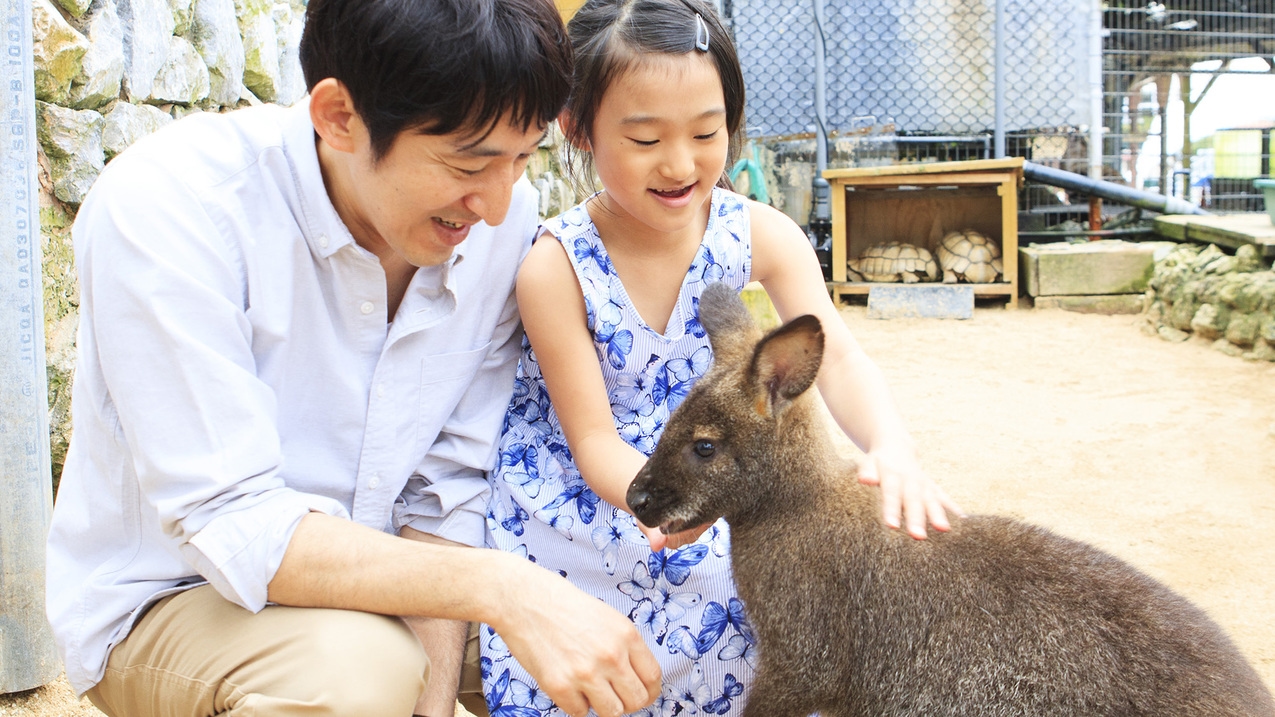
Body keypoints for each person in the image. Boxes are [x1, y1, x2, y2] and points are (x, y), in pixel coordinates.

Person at [44, 1, 663, 716]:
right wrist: (502, 587)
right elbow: (236, 527)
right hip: (179, 598)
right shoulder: (172, 208)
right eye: (470, 161)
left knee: (632, 626)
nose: (496, 206)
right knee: (358, 674)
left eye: (523, 160)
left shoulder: (500, 219)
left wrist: (436, 695)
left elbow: (446, 485)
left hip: (396, 579)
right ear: (338, 115)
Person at [482, 0, 963, 714]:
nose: (681, 163)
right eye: (644, 139)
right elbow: (592, 441)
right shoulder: (556, 266)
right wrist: (675, 508)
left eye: (706, 132)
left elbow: (835, 354)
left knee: (785, 576)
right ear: (575, 128)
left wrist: (890, 444)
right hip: (611, 497)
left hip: (716, 479)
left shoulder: (758, 233)